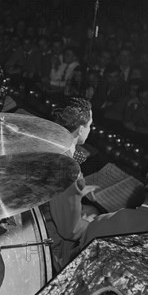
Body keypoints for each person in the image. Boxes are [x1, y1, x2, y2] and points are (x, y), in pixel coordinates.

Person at [44, 97, 99, 271]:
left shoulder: (48, 144)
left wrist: (77, 193)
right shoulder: (68, 169)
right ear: (81, 129)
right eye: (90, 125)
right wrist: (92, 223)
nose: (90, 129)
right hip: (50, 238)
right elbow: (70, 230)